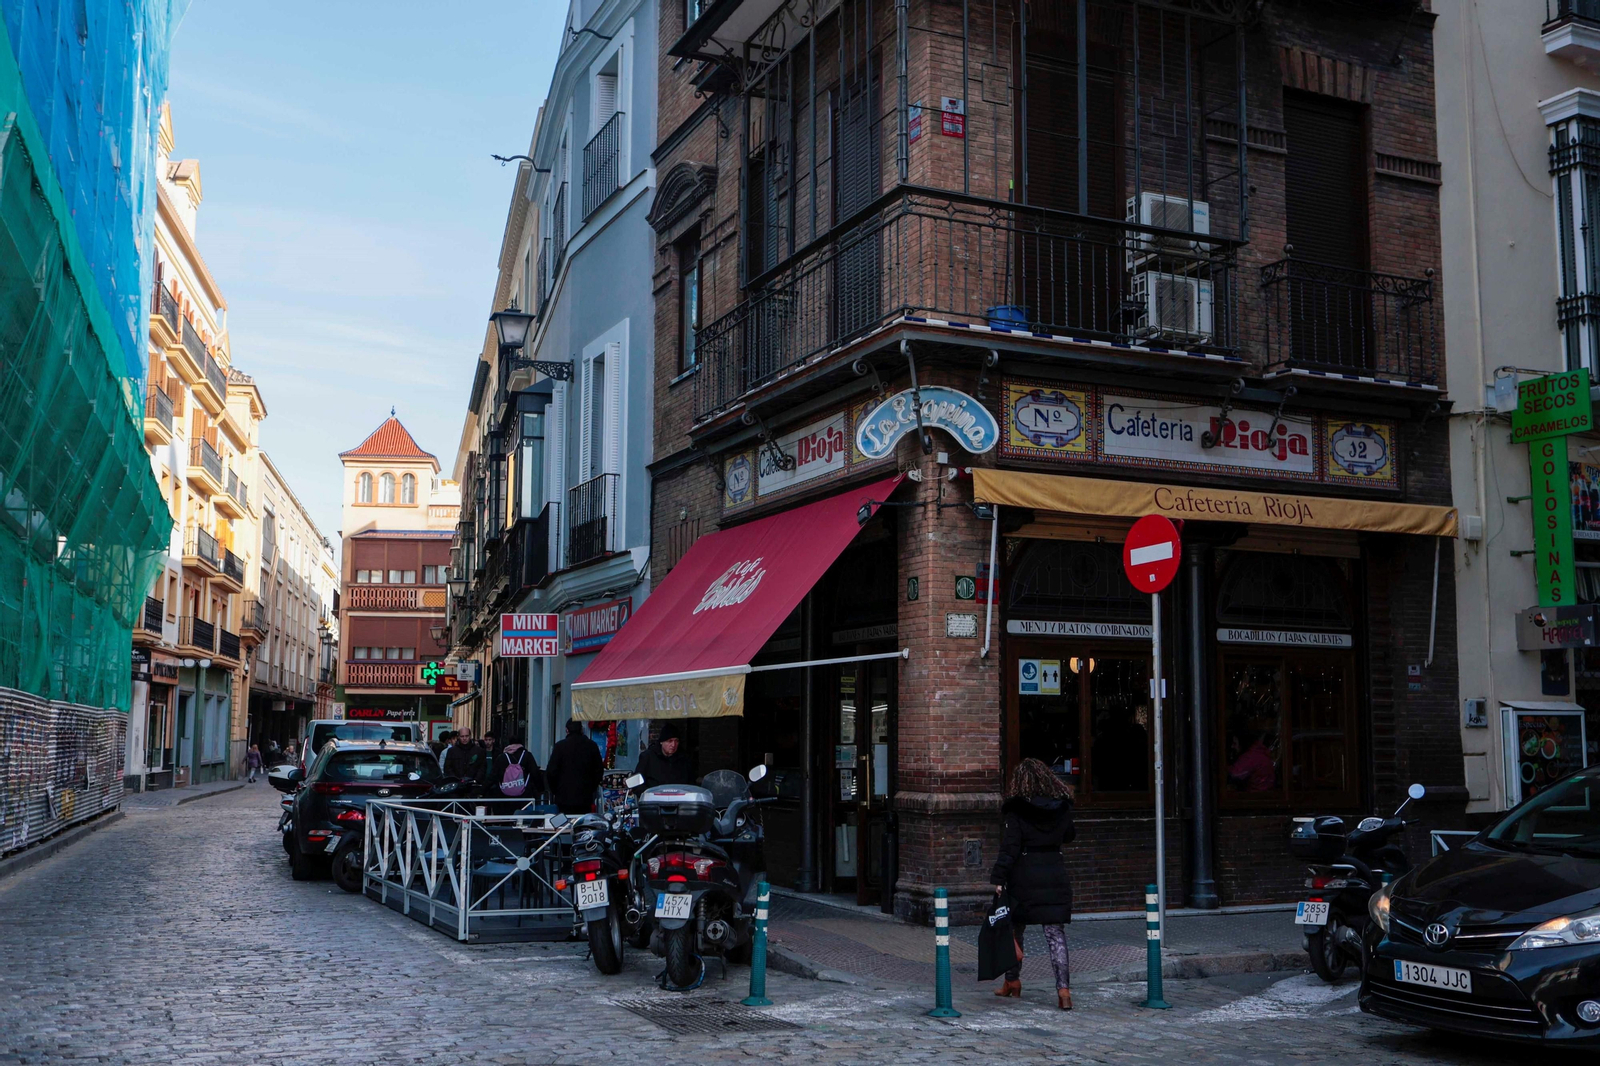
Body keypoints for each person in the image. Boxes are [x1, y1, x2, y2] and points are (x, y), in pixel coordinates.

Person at [990, 757, 1077, 1011]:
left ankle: (1012, 981)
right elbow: (1070, 836)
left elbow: (1009, 849)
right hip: (1054, 875)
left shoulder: (1016, 810)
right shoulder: (1061, 808)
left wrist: (998, 879)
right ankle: (1064, 991)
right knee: (1055, 935)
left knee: (1015, 930)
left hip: (1023, 878)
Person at [546, 720, 603, 814]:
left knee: (564, 826)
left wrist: (556, 791)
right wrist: (591, 788)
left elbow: (551, 772)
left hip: (563, 796)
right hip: (585, 796)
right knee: (583, 825)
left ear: (567, 730)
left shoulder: (560, 746)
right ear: (581, 729)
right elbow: (598, 771)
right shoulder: (591, 746)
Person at [634, 722, 696, 789]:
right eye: (670, 741)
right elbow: (637, 783)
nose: (673, 745)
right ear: (661, 742)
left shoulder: (684, 759)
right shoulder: (648, 757)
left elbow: (691, 783)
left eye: (676, 741)